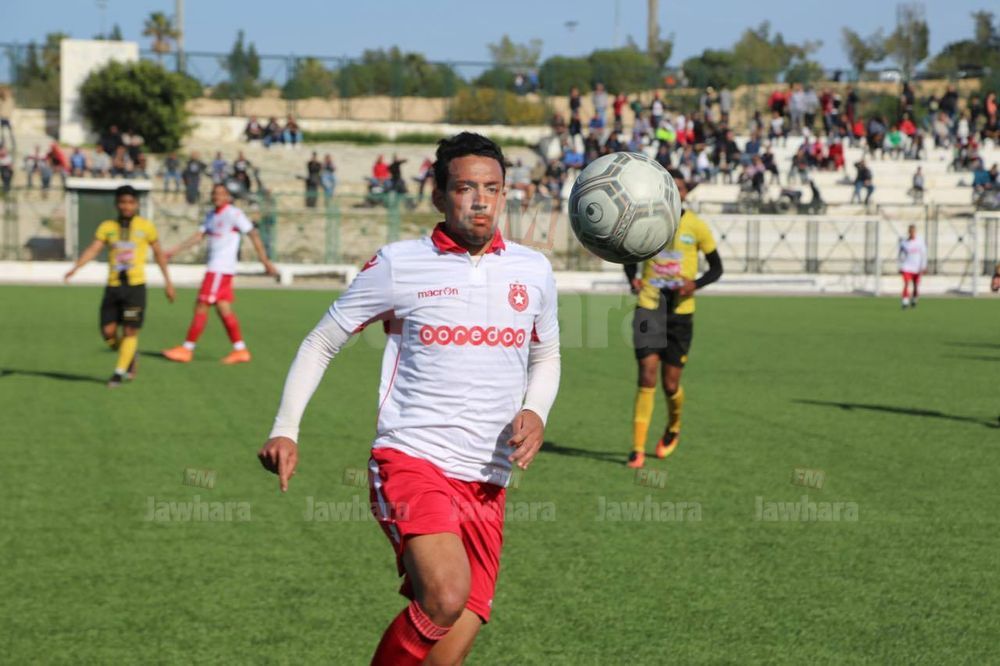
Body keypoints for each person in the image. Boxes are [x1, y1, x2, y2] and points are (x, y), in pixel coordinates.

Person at [257, 132, 560, 665]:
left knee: (445, 649)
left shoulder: (533, 269)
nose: (481, 200)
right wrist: (286, 427)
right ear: (439, 196)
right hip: (412, 459)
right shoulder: (399, 264)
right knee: (445, 595)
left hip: (488, 478)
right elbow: (322, 341)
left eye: (492, 188)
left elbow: (547, 355)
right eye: (465, 188)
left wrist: (535, 410)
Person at [623, 172, 723, 468]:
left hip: (680, 312)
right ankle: (637, 448)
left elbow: (717, 268)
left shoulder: (697, 225)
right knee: (647, 374)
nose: (676, 193)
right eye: (671, 188)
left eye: (680, 188)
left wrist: (695, 284)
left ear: (686, 193)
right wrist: (632, 279)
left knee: (670, 384)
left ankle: (673, 426)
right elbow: (629, 255)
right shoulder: (646, 221)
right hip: (649, 307)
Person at [63, 185, 176, 387]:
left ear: (137, 205)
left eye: (130, 202)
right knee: (108, 333)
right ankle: (129, 354)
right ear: (116, 204)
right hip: (114, 288)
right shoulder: (107, 227)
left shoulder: (146, 227)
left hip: (134, 290)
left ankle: (118, 372)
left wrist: (168, 281)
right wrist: (76, 267)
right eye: (123, 202)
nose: (126, 206)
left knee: (130, 330)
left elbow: (159, 253)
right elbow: (94, 249)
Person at [162, 183, 278, 364]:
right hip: (217, 269)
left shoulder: (233, 214)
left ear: (228, 197)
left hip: (220, 269)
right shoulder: (211, 215)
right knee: (223, 308)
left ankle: (187, 348)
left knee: (202, 304)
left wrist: (265, 261)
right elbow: (198, 236)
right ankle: (240, 350)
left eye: (221, 193)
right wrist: (173, 251)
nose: (217, 196)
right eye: (214, 193)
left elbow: (253, 233)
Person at [898, 224, 927, 309]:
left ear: (915, 232)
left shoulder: (920, 241)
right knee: (906, 283)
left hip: (917, 267)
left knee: (915, 285)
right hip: (907, 266)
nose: (912, 233)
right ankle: (905, 301)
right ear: (909, 232)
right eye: (910, 231)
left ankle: (914, 299)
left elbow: (924, 254)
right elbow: (900, 255)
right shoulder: (904, 243)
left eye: (913, 231)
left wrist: (923, 266)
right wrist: (900, 266)